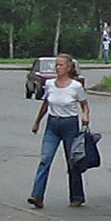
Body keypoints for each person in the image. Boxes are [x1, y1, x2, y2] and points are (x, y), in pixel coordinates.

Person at [28, 54, 90, 209]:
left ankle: (77, 196)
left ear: (69, 68)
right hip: (53, 124)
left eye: (61, 65)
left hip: (70, 125)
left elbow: (84, 105)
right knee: (45, 159)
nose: (57, 68)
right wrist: (37, 122)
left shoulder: (75, 86)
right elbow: (46, 104)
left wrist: (85, 116)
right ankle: (37, 195)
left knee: (72, 161)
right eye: (56, 65)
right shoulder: (50, 84)